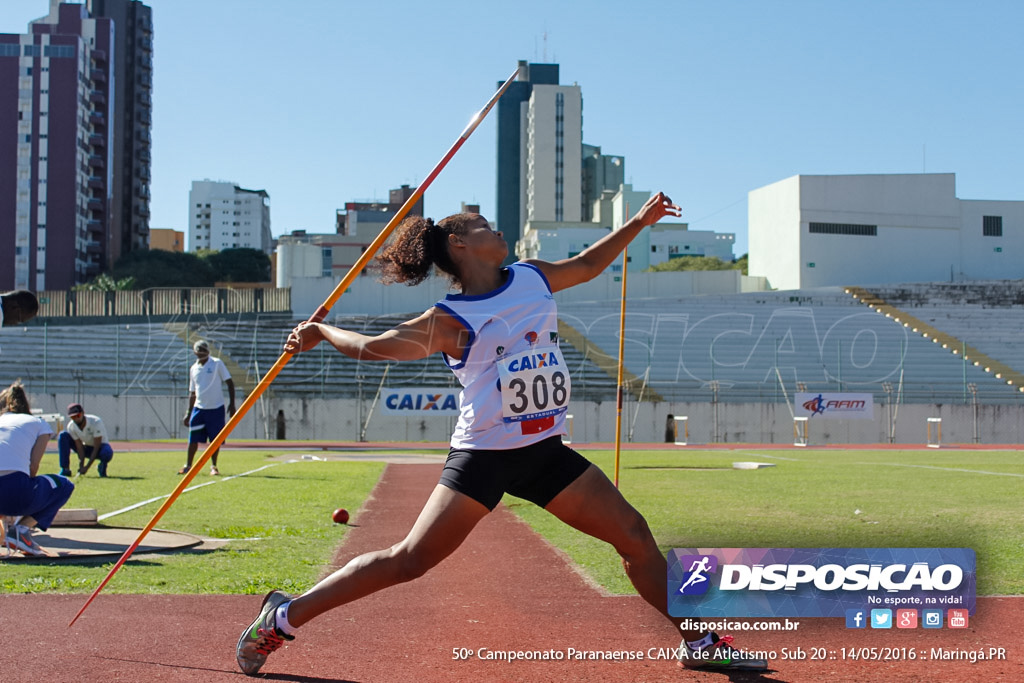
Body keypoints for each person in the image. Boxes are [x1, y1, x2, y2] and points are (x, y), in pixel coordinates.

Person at [235, 193, 768, 675]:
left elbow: (587, 265)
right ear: (461, 244)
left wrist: (639, 221)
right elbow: (374, 348)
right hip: (484, 456)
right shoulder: (448, 319)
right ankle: (281, 617)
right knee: (409, 561)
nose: (499, 231)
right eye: (486, 226)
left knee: (633, 535)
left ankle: (698, 641)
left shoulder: (532, 277)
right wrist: (321, 332)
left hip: (544, 452)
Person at [0, 382, 74, 557]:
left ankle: (8, 535)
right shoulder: (38, 423)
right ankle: (22, 530)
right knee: (64, 485)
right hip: (17, 491)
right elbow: (33, 467)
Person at [180, 340, 235, 476]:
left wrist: (232, 404)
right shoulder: (193, 368)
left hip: (216, 408)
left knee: (214, 440)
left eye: (204, 350)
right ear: (195, 352)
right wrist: (188, 412)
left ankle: (214, 466)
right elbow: (192, 392)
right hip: (199, 408)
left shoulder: (217, 363)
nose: (202, 353)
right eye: (199, 350)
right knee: (193, 438)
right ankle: (188, 465)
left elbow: (229, 382)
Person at [58, 403, 115, 477]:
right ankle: (65, 469)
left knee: (107, 452)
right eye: (72, 417)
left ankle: (102, 467)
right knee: (63, 435)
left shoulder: (95, 422)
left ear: (83, 413)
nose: (76, 419)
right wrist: (81, 465)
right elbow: (79, 447)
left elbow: (96, 447)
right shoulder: (71, 426)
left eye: (77, 416)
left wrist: (87, 467)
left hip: (100, 448)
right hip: (86, 447)